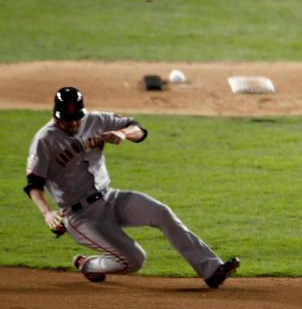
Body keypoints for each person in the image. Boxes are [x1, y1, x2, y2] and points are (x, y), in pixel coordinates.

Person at [24, 87, 239, 288]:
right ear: (56, 115)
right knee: (135, 261)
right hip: (82, 216)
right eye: (67, 120)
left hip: (111, 198)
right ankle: (87, 264)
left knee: (160, 212)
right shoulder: (44, 140)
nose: (72, 124)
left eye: (76, 119)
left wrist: (123, 134)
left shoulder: (97, 120)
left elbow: (139, 129)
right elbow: (34, 184)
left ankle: (211, 270)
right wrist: (47, 213)